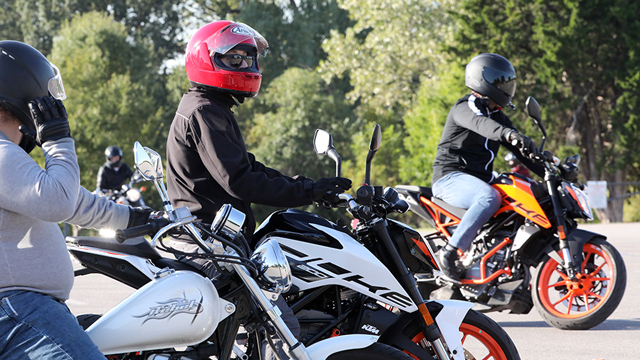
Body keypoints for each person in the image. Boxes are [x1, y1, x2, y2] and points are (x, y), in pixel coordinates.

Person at [165, 21, 351, 359]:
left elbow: (248, 168)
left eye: (249, 59)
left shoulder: (210, 107)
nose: (246, 67)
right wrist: (308, 193)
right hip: (210, 243)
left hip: (212, 239)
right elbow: (240, 181)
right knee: (283, 332)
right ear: (207, 60)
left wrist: (309, 186)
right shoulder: (205, 111)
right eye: (235, 59)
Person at [0, 40, 153, 359]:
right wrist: (57, 141)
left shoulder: (7, 154)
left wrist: (135, 218)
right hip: (20, 310)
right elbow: (57, 201)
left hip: (25, 310)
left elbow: (72, 200)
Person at [431, 53, 544, 282]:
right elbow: (482, 125)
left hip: (478, 179)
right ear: (484, 80)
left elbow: (521, 151)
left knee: (523, 194)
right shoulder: (465, 108)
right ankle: (449, 253)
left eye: (508, 83)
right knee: (489, 197)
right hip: (450, 178)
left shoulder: (496, 115)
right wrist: (509, 134)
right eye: (501, 82)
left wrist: (550, 169)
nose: (507, 88)